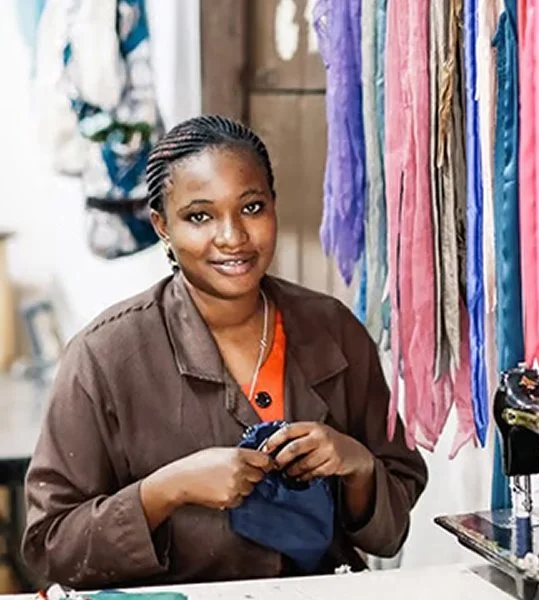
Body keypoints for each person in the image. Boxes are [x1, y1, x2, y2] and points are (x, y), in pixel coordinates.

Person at [21, 115, 428, 589]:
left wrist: (355, 463)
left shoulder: (331, 329)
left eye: (252, 207)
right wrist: (167, 490)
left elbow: (390, 526)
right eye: (199, 216)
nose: (232, 237)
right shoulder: (104, 357)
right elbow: (51, 546)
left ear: (273, 206)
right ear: (162, 226)